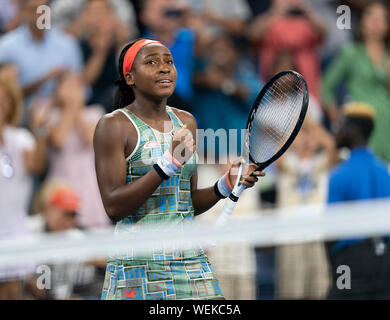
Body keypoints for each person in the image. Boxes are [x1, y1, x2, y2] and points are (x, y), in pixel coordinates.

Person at [93, 38, 264, 300]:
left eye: (169, 62)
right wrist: (167, 165)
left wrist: (225, 185)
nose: (164, 68)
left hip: (189, 259)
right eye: (151, 62)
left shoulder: (186, 121)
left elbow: (186, 204)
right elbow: (114, 207)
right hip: (138, 263)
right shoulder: (113, 125)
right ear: (130, 78)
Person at [326, 102, 390, 299]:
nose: (335, 131)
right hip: (385, 260)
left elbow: (331, 232)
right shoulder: (384, 172)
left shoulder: (339, 176)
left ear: (353, 131)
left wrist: (337, 266)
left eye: (340, 125)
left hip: (350, 261)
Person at [322, 0, 390, 164]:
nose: (375, 22)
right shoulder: (351, 53)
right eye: (371, 16)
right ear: (362, 22)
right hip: (361, 127)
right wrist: (337, 122)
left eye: (382, 18)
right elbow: (326, 86)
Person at [275, 118, 335, 300]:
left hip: (318, 236)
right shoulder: (287, 164)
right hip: (291, 236)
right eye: (303, 135)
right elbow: (277, 154)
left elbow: (334, 147)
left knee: (320, 291)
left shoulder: (323, 164)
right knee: (290, 292)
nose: (307, 140)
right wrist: (297, 128)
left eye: (311, 136)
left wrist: (313, 126)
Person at [43, 72, 110, 229]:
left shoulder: (95, 112)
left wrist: (76, 108)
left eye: (76, 86)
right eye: (67, 85)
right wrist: (69, 108)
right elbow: (58, 140)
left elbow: (90, 138)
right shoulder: (52, 116)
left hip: (89, 181)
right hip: (62, 181)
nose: (72, 91)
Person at [0, 77, 47, 299]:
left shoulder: (21, 138)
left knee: (14, 292)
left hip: (17, 231)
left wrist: (39, 130)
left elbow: (37, 166)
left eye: (3, 100)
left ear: (11, 104)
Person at [26, 180, 107, 300]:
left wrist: (101, 260)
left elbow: (107, 258)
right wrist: (28, 279)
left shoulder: (80, 236)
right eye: (66, 213)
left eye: (73, 214)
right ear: (49, 210)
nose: (70, 220)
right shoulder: (29, 231)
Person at [0, 0, 82, 115]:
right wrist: (45, 79)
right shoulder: (6, 46)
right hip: (21, 113)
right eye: (34, 10)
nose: (40, 15)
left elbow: (81, 88)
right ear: (23, 12)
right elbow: (7, 94)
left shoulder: (67, 44)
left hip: (62, 110)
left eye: (44, 9)